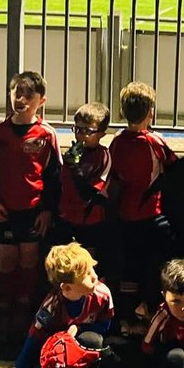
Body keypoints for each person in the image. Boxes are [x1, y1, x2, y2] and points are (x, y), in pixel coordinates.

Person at [0, 242, 114, 368]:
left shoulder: (102, 294)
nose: (95, 277)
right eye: (88, 275)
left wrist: (77, 330)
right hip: (53, 354)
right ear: (66, 288)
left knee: (93, 341)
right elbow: (27, 352)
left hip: (82, 341)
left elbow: (104, 327)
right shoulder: (50, 308)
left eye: (93, 270)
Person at [0, 71, 62, 339]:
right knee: (5, 260)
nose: (21, 100)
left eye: (29, 96)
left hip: (33, 212)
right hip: (4, 210)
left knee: (28, 260)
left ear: (41, 101)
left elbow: (54, 177)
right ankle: (3, 313)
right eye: (17, 93)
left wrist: (47, 210)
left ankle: (24, 314)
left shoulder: (46, 135)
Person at [107, 82, 177, 327]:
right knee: (160, 264)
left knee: (130, 267)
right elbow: (172, 161)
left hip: (125, 217)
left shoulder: (116, 142)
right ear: (151, 112)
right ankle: (152, 310)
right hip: (152, 216)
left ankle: (126, 316)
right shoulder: (155, 141)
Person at [54, 102, 115, 266]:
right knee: (63, 263)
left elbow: (89, 194)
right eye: (77, 129)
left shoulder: (103, 156)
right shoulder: (74, 152)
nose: (80, 135)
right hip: (66, 217)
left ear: (101, 133)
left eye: (87, 131)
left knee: (87, 264)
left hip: (89, 221)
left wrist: (74, 167)